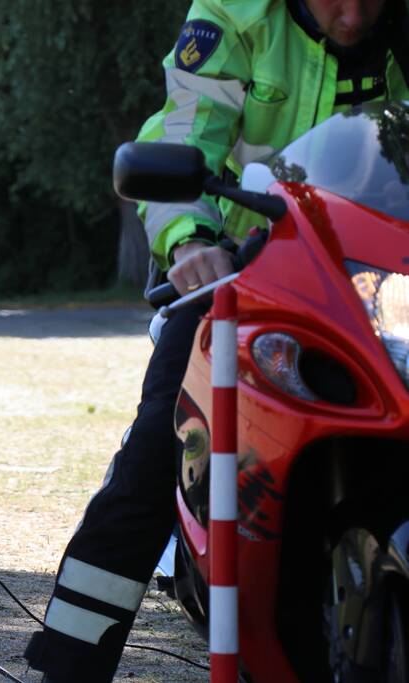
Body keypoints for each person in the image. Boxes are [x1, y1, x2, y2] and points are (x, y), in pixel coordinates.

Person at [24, 1, 409, 680]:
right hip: (243, 263)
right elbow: (185, 132)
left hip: (384, 276)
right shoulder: (235, 15)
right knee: (156, 454)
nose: (351, 15)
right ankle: (63, 667)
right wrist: (190, 241)